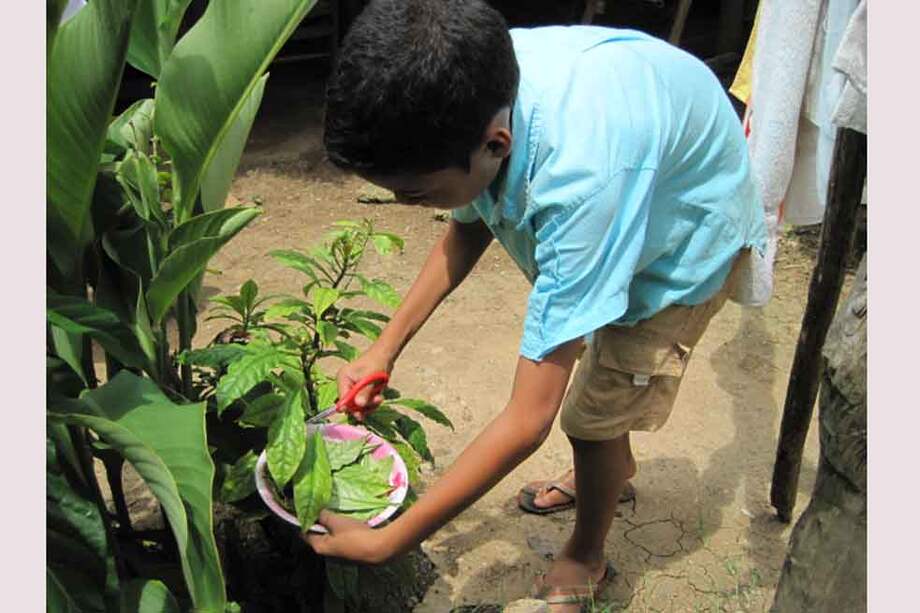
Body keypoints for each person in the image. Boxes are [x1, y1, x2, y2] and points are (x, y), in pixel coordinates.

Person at [306, 0, 766, 608]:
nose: (403, 204)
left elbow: (528, 421)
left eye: (414, 193)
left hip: (682, 245)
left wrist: (390, 540)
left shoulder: (581, 182)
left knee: (590, 418)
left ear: (496, 144)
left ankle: (587, 554)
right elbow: (468, 226)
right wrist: (382, 349)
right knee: (601, 392)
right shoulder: (475, 85)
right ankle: (613, 471)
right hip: (635, 183)